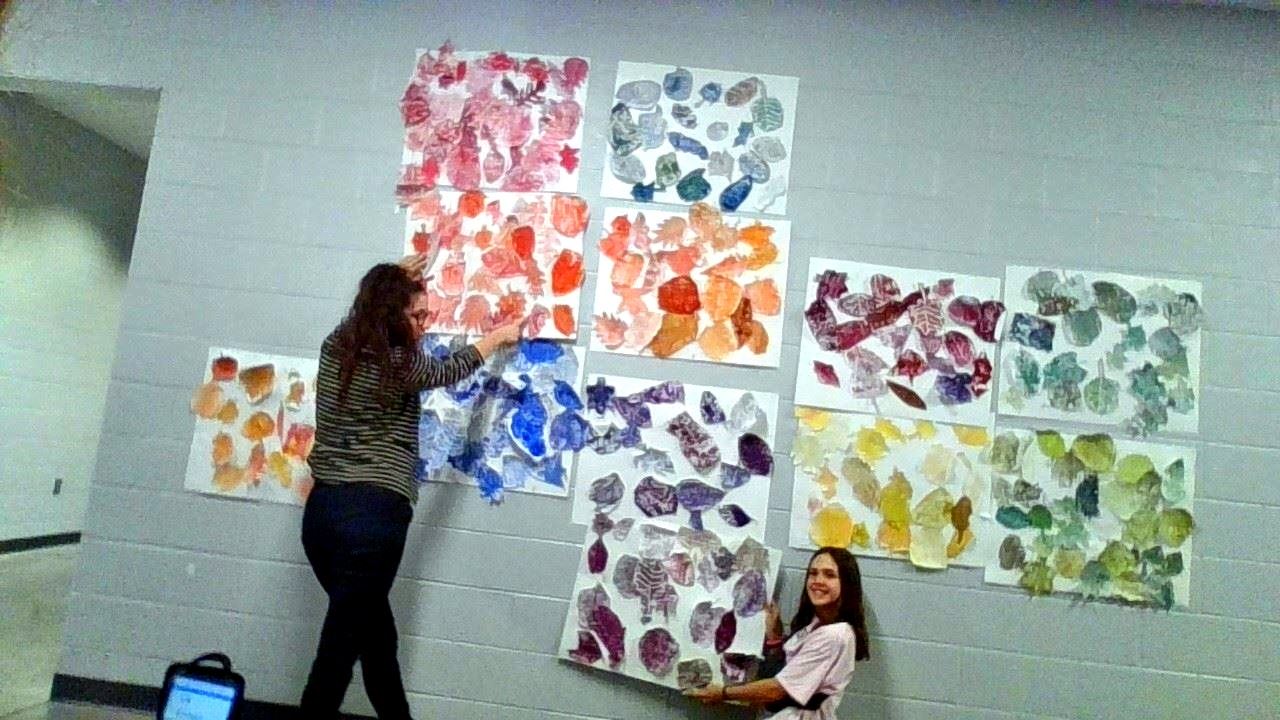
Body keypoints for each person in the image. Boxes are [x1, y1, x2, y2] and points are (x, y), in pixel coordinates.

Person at [299, 255, 522, 719]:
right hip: (371, 521)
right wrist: (496, 337)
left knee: (375, 641)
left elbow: (362, 312)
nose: (426, 324)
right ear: (390, 314)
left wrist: (394, 277)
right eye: (417, 316)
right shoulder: (399, 363)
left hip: (321, 519)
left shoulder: (336, 346)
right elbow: (447, 371)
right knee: (337, 657)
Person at [685, 547, 871, 719]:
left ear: (846, 583)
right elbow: (786, 669)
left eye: (829, 575)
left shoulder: (835, 635)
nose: (818, 581)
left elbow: (777, 690)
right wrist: (775, 638)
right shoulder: (815, 625)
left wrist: (722, 693)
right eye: (813, 573)